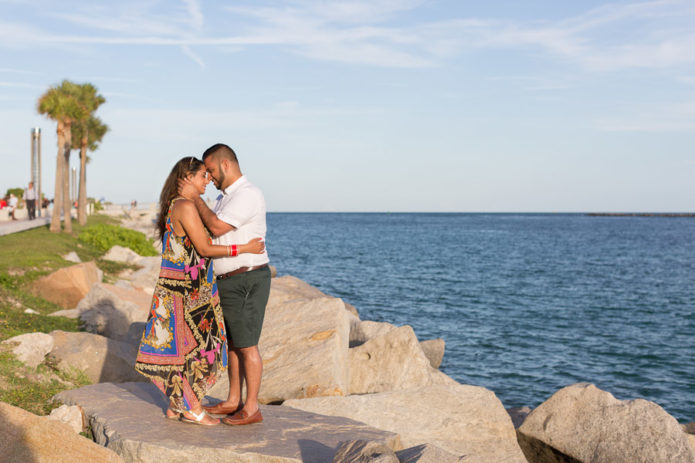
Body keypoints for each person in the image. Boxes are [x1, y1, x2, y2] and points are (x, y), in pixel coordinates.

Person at [135, 156, 265, 427]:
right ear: (187, 178)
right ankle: (192, 408)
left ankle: (177, 405)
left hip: (179, 285)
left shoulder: (177, 204)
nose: (208, 180)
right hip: (187, 289)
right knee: (203, 347)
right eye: (202, 175)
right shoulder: (184, 205)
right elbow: (205, 248)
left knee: (183, 347)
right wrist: (243, 249)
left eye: (209, 174)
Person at [178, 143, 270, 426]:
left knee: (247, 346)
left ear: (226, 165)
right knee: (232, 344)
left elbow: (217, 228)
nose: (210, 177)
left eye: (211, 170)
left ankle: (252, 407)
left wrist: (194, 198)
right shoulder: (223, 198)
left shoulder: (247, 194)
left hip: (246, 278)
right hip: (228, 279)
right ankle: (233, 400)